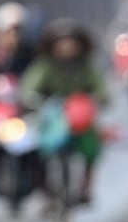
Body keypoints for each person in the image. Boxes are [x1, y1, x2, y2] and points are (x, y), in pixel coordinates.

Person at [20, 18, 109, 204]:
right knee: (36, 145)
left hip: (79, 118)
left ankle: (85, 186)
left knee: (92, 143)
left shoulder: (85, 66)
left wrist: (99, 99)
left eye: (71, 42)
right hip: (53, 116)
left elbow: (101, 88)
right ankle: (45, 192)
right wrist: (31, 98)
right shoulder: (45, 65)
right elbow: (30, 86)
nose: (67, 46)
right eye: (62, 42)